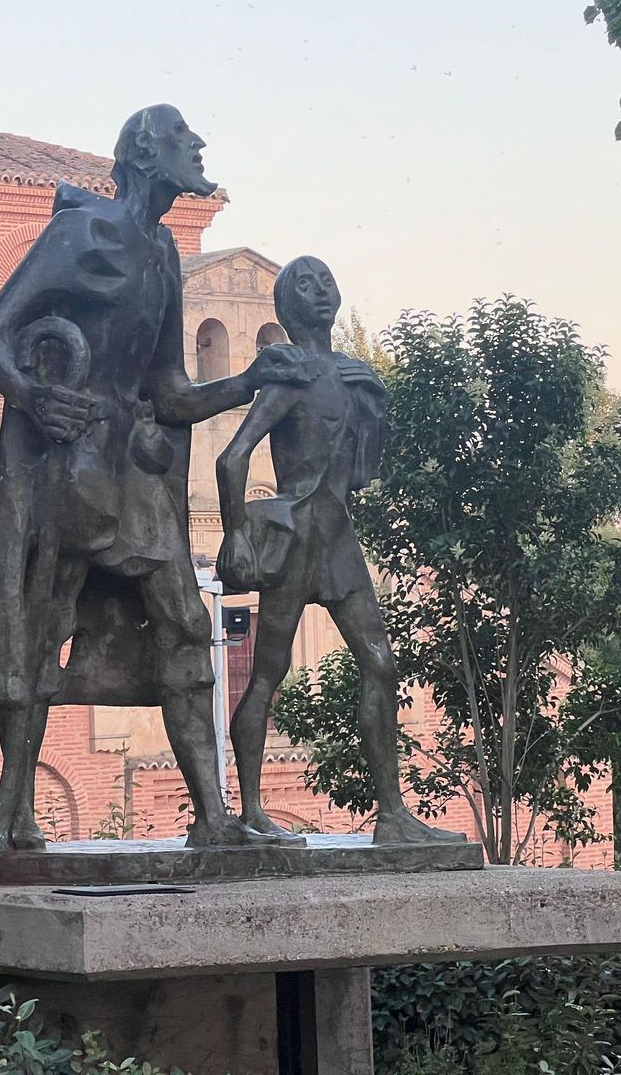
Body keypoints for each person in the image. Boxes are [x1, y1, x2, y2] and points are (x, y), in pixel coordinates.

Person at [0, 105, 311, 852]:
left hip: (135, 473)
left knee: (186, 623)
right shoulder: (83, 232)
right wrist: (30, 396)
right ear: (149, 154)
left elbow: (174, 393)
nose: (201, 147)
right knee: (43, 625)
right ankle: (12, 821)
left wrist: (250, 377)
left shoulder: (160, 254)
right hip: (71, 469)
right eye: (187, 139)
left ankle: (212, 821)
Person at [215, 256, 466, 845]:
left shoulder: (351, 374)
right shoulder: (289, 374)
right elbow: (233, 458)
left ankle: (392, 815)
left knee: (381, 663)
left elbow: (363, 472)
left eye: (326, 281)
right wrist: (238, 537)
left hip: (339, 537)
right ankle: (251, 811)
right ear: (286, 304)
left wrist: (373, 402)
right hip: (298, 534)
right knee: (268, 673)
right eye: (305, 284)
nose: (320, 292)